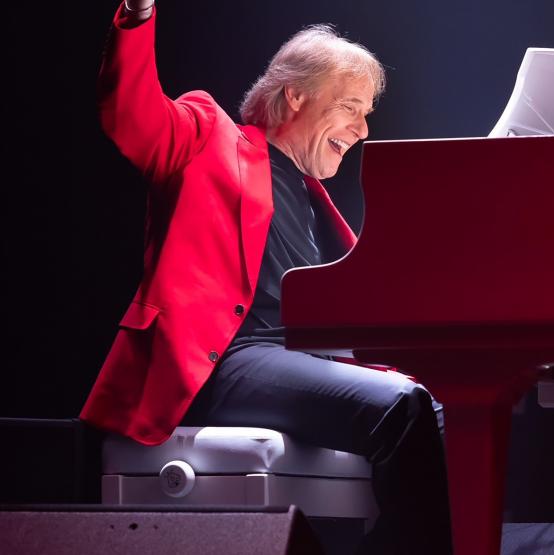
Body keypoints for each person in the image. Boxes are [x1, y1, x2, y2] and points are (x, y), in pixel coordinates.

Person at [79, 2, 453, 553]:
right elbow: (131, 116)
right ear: (295, 95)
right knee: (403, 405)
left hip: (295, 362)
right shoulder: (209, 136)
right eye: (350, 108)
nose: (363, 128)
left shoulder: (313, 198)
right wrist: (138, 12)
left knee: (443, 404)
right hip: (225, 361)